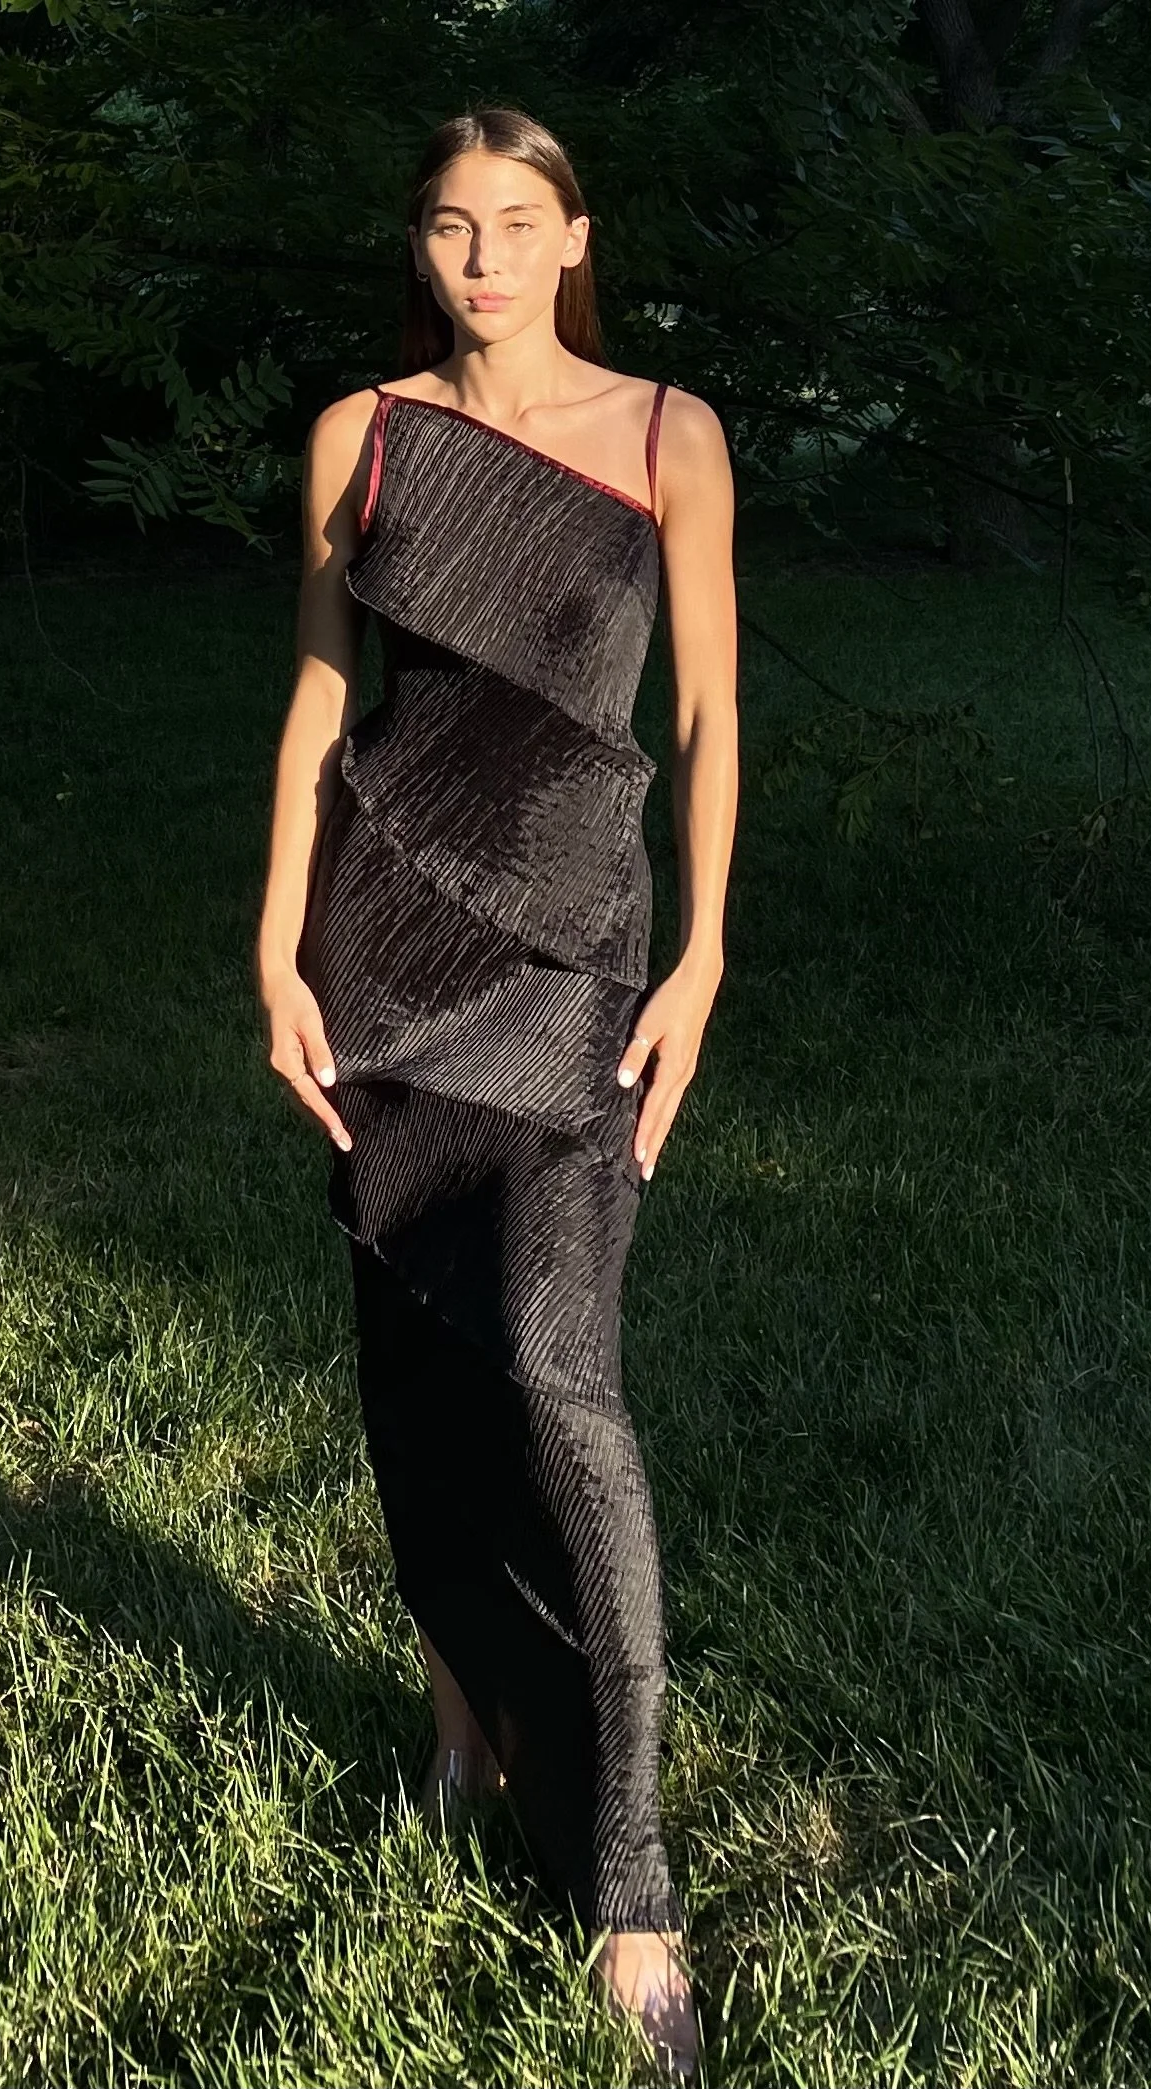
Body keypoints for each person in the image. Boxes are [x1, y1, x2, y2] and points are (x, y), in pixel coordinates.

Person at [255, 104, 737, 2081]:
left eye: (516, 224)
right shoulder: (358, 436)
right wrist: (272, 945)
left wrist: (703, 959)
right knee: (416, 1364)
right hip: (386, 945)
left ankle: (629, 1887)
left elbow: (703, 711)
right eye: (449, 226)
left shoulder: (667, 434)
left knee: (558, 1376)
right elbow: (320, 694)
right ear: (420, 245)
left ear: (572, 239)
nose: (481, 259)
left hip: (581, 960)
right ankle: (464, 1723)